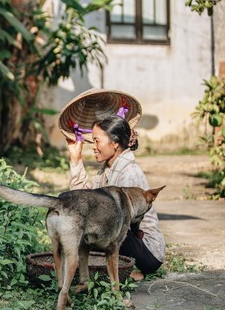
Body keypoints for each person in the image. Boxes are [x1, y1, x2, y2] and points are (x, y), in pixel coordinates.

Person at [66, 115, 165, 280]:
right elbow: (84, 200)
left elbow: (112, 222)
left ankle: (123, 270)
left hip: (145, 252)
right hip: (124, 238)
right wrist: (76, 159)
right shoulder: (106, 170)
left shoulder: (129, 173)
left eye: (97, 141)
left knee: (94, 230)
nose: (94, 147)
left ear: (115, 143)